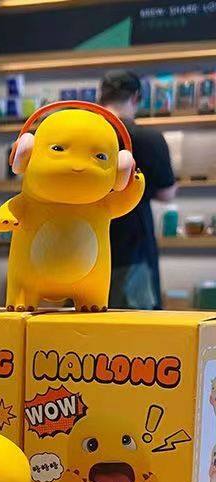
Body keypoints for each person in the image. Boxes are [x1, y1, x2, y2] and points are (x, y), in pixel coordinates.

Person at [100, 70, 177, 309]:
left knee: (82, 322)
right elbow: (167, 193)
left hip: (84, 244)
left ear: (101, 96)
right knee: (134, 324)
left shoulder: (86, 135)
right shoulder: (149, 139)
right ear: (135, 97)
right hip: (132, 247)